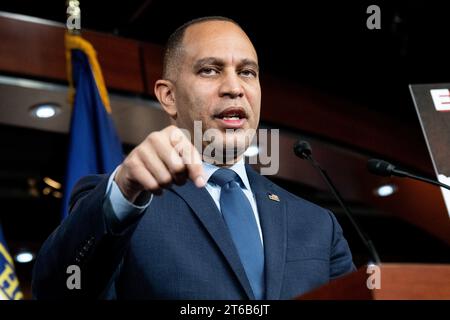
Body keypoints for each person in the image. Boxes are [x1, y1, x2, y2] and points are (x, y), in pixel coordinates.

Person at [32, 16, 355, 299]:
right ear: (168, 96)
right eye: (210, 70)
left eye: (247, 72)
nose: (234, 88)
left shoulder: (317, 225)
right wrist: (124, 193)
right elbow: (56, 291)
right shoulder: (125, 204)